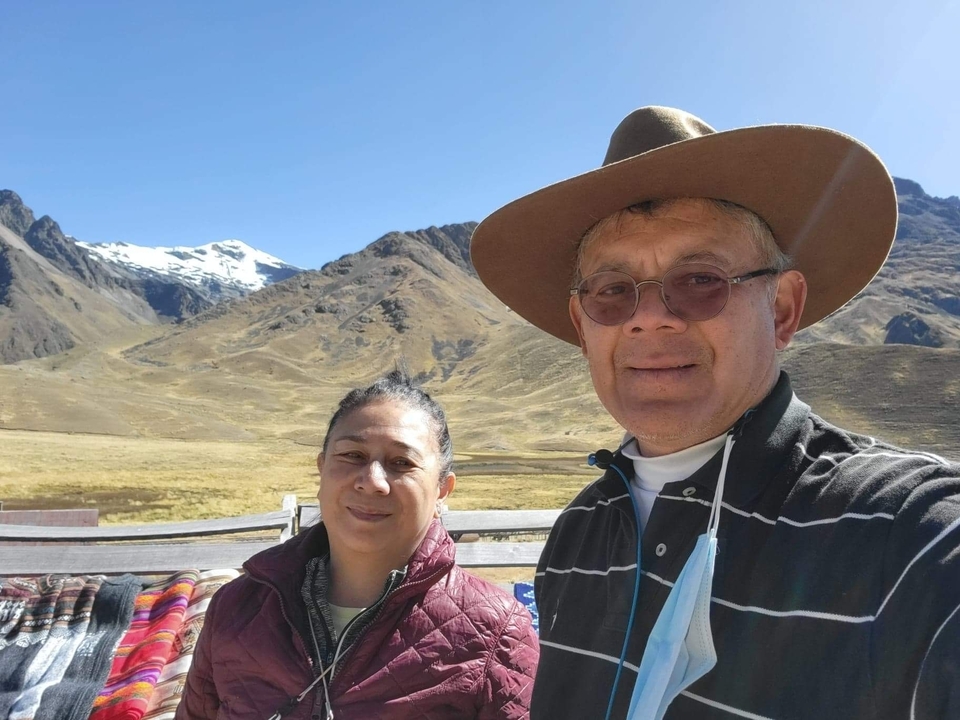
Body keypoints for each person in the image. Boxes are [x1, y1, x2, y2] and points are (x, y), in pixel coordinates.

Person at [470, 106, 960, 719]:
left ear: (781, 309)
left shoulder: (910, 535)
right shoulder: (578, 532)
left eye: (700, 279)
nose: (651, 317)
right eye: (613, 291)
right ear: (581, 324)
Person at [175, 370, 539, 720]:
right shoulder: (238, 607)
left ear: (442, 490)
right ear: (322, 468)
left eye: (401, 462)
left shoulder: (496, 631)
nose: (372, 481)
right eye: (352, 455)